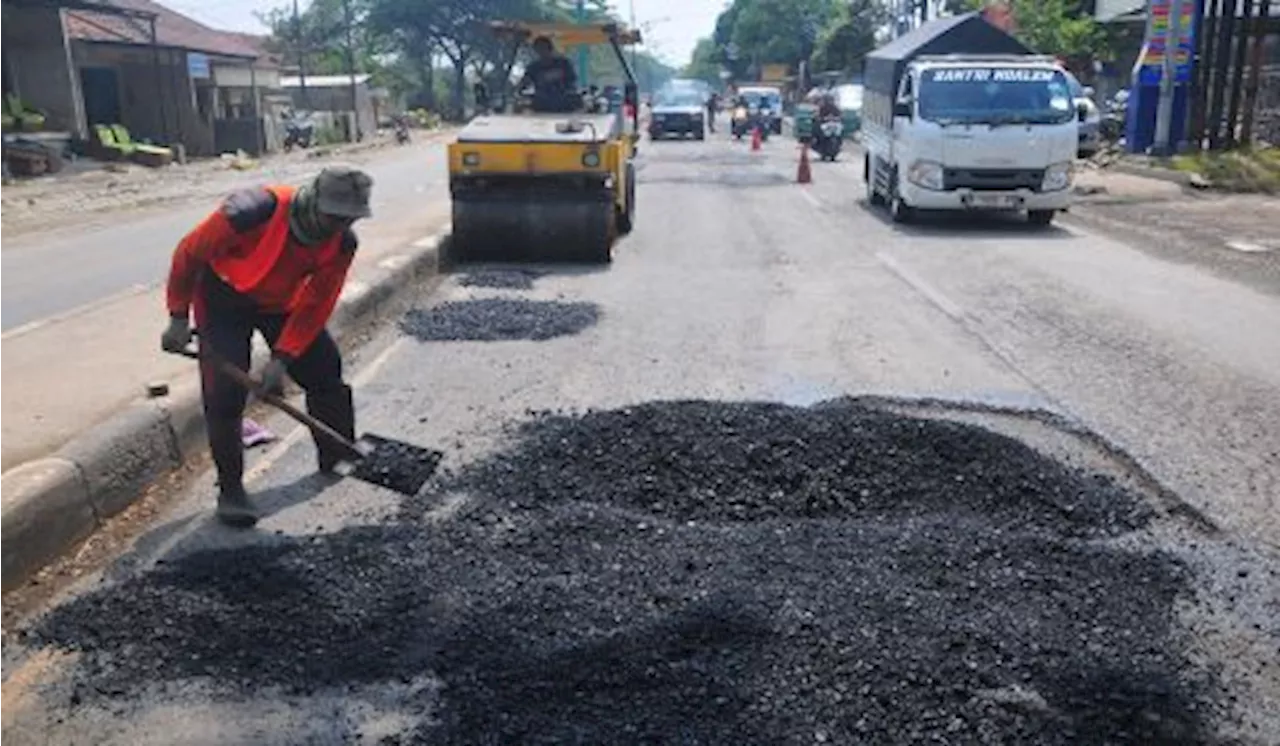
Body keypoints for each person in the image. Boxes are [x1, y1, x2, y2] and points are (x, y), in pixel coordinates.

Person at [160, 166, 373, 528]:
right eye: (334, 217)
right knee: (224, 396)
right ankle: (231, 491)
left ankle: (337, 452)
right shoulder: (250, 211)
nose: (339, 227)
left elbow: (317, 303)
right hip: (223, 297)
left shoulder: (343, 243)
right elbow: (189, 254)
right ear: (315, 203)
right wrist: (178, 316)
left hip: (281, 304)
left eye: (349, 219)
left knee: (324, 372)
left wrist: (282, 358)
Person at [518, 35, 579, 113]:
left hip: (565, 105)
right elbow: (524, 83)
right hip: (542, 106)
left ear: (550, 49)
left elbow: (572, 80)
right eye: (538, 49)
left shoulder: (563, 64)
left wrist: (555, 76)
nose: (541, 52)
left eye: (543, 48)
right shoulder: (533, 68)